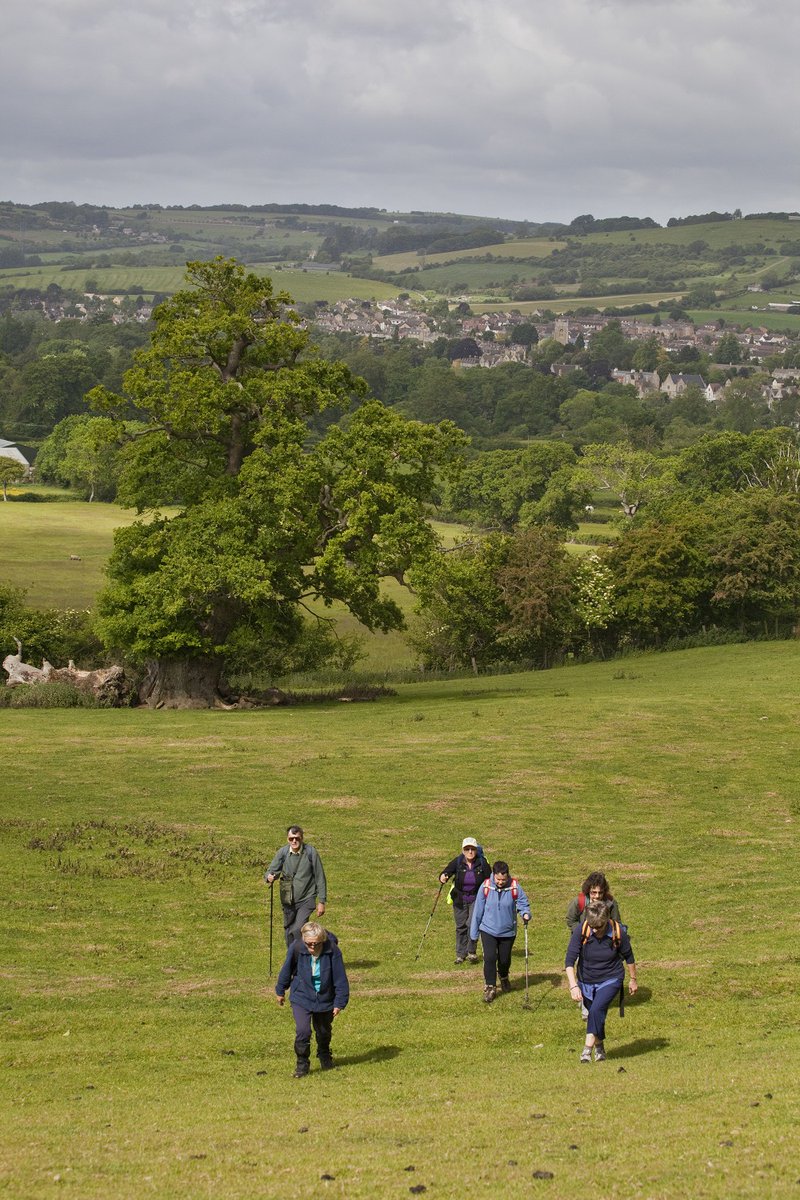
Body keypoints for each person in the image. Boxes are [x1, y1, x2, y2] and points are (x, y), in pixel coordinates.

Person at [565, 900, 637, 1062]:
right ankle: (600, 1047)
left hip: (611, 978)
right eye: (593, 926)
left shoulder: (618, 932)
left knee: (596, 1010)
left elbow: (629, 957)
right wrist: (573, 986)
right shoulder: (582, 930)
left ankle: (586, 1050)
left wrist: (633, 979)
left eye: (599, 926)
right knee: (595, 1014)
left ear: (606, 921)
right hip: (586, 980)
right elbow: (569, 961)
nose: (595, 930)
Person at [275, 921, 349, 1077]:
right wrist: (280, 990)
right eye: (309, 944)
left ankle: (324, 1055)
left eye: (316, 944)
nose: (312, 947)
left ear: (322, 940)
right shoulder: (296, 948)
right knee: (303, 1030)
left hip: (325, 998)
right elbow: (286, 969)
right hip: (301, 996)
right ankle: (302, 1064)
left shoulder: (333, 951)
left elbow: (340, 979)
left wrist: (339, 1003)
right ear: (303, 940)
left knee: (323, 1031)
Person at [469, 860, 531, 1003]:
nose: (501, 882)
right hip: (488, 929)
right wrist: (474, 935)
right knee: (490, 958)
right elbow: (478, 911)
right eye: (498, 879)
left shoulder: (515, 887)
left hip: (508, 931)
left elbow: (522, 902)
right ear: (493, 875)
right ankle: (490, 986)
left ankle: (503, 976)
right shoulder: (485, 887)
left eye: (504, 879)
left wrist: (525, 913)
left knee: (504, 959)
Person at [265, 825, 327, 947]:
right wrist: (269, 877)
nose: (294, 841)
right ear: (287, 839)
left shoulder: (310, 852)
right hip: (288, 900)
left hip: (306, 899)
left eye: (297, 838)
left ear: (302, 838)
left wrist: (321, 901)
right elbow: (272, 871)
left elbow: (320, 876)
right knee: (288, 932)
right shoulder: (283, 852)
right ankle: (293, 960)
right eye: (291, 838)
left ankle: (303, 957)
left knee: (298, 929)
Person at [439, 837, 491, 964]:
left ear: (476, 850)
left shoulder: (482, 862)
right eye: (467, 849)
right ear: (463, 850)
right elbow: (446, 872)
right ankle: (460, 955)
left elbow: (490, 879)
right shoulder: (457, 861)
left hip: (476, 898)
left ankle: (471, 952)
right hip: (459, 898)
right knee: (461, 926)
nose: (470, 852)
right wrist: (443, 877)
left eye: (472, 849)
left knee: (472, 925)